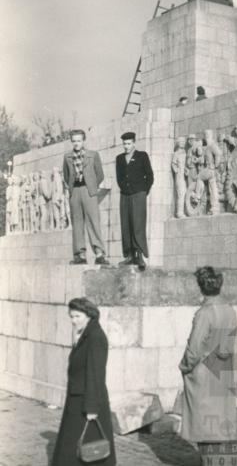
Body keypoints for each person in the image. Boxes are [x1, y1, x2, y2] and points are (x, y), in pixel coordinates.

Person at [179, 267, 237, 466]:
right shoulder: (230, 309)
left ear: (201, 287)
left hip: (204, 375)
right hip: (222, 371)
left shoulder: (205, 312)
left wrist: (184, 367)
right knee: (217, 425)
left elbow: (194, 350)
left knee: (203, 427)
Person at [52, 298, 116, 466]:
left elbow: (96, 373)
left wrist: (92, 408)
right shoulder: (85, 334)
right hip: (78, 400)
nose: (74, 321)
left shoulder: (95, 336)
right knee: (76, 447)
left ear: (89, 315)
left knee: (85, 448)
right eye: (71, 316)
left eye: (78, 316)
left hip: (86, 402)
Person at [63, 129, 109, 265]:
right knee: (77, 224)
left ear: (84, 141)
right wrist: (71, 189)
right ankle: (80, 255)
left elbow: (100, 174)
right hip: (75, 191)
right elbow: (66, 175)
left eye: (79, 140)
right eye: (74, 141)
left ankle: (100, 254)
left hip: (89, 191)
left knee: (93, 222)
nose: (76, 143)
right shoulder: (67, 157)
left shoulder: (93, 155)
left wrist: (92, 187)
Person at [116, 132, 154, 271]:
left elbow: (149, 175)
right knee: (126, 224)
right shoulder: (119, 158)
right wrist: (125, 189)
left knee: (138, 224)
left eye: (129, 143)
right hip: (125, 195)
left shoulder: (142, 156)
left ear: (134, 143)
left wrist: (144, 190)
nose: (126, 146)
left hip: (138, 194)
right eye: (124, 144)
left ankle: (139, 255)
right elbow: (119, 177)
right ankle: (130, 255)